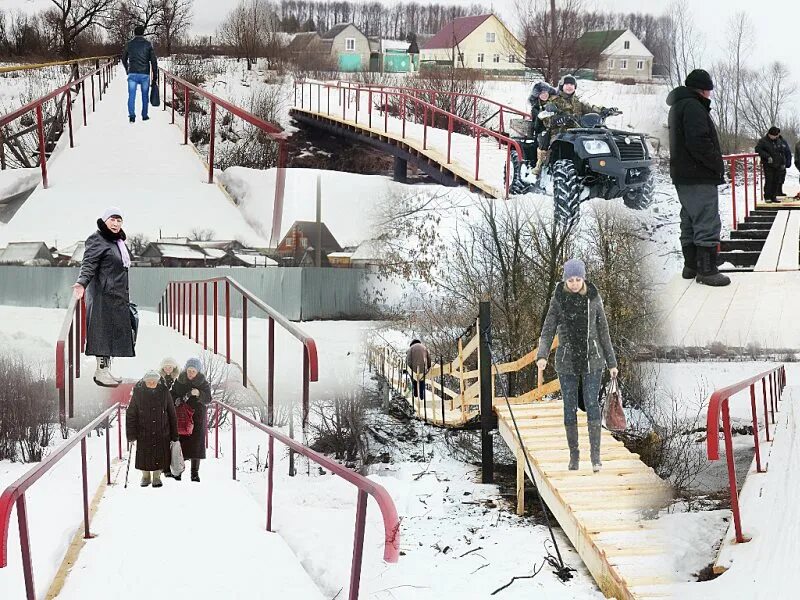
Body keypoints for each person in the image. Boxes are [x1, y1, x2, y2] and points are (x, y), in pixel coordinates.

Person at [535, 259, 618, 473]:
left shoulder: (594, 298)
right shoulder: (558, 300)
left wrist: (612, 362)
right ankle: (574, 456)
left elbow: (604, 332)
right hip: (567, 361)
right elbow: (547, 330)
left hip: (593, 359)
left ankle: (596, 457)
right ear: (565, 280)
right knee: (569, 406)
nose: (574, 283)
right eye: (570, 280)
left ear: (584, 278)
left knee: (591, 403)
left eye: (577, 279)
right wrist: (542, 355)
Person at [666, 68, 730, 287]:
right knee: (706, 219)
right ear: (704, 90)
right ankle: (707, 270)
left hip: (683, 172)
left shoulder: (679, 105)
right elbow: (699, 142)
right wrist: (715, 164)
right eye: (709, 90)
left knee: (690, 218)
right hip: (698, 173)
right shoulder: (694, 107)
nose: (710, 95)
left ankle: (691, 266)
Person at [72, 207, 134, 387]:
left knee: (111, 333)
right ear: (105, 221)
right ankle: (100, 373)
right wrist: (82, 282)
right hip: (103, 296)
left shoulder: (117, 242)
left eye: (119, 220)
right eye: (112, 220)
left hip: (116, 295)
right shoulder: (97, 239)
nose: (116, 224)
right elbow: (89, 264)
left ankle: (105, 371)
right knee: (103, 334)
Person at [126, 369, 178, 488]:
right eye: (148, 382)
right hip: (143, 431)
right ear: (144, 382)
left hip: (162, 430)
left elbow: (172, 413)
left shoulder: (164, 392)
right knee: (145, 454)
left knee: (160, 453)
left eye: (154, 381)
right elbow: (131, 414)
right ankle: (145, 476)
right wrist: (131, 434)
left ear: (158, 381)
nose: (151, 384)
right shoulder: (138, 393)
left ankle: (156, 477)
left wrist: (174, 435)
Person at [171, 357, 212, 482]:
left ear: (198, 371)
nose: (190, 373)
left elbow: (208, 399)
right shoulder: (179, 381)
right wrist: (176, 399)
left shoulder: (203, 383)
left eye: (193, 371)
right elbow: (171, 394)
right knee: (179, 445)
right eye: (189, 370)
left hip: (197, 417)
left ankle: (194, 473)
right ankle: (178, 471)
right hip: (181, 416)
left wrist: (199, 394)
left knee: (196, 445)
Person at [544, 74, 616, 138]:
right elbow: (546, 120)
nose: (569, 87)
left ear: (575, 87)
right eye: (566, 84)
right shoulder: (553, 101)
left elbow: (590, 108)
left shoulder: (577, 102)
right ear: (561, 86)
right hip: (560, 134)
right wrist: (559, 119)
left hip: (579, 132)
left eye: (571, 85)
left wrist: (603, 110)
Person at [121, 25, 158, 123]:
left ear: (134, 33)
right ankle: (144, 115)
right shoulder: (148, 44)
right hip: (145, 74)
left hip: (132, 73)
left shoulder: (129, 44)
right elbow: (154, 61)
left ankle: (132, 116)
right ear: (143, 33)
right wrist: (155, 76)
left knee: (131, 95)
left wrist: (127, 70)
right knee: (145, 95)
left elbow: (123, 59)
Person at [528, 81, 558, 176]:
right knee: (544, 135)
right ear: (537, 95)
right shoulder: (535, 108)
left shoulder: (555, 101)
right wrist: (539, 117)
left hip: (556, 128)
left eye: (545, 92)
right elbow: (536, 127)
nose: (544, 95)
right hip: (542, 131)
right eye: (541, 93)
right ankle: (539, 164)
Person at [755, 127, 788, 203]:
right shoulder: (763, 141)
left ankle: (774, 197)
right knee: (769, 180)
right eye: (774, 136)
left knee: (776, 181)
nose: (776, 137)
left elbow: (782, 152)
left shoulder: (778, 141)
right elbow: (758, 149)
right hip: (768, 164)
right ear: (770, 134)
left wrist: (783, 163)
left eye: (776, 136)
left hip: (778, 164)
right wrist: (767, 156)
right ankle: (767, 197)